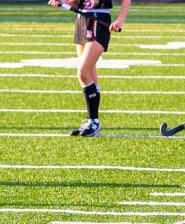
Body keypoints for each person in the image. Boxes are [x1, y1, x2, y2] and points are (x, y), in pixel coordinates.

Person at [47, 0, 130, 137]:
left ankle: (94, 122)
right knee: (90, 75)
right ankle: (93, 122)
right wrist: (62, 2)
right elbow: (77, 3)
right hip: (81, 20)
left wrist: (120, 20)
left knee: (82, 73)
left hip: (98, 19)